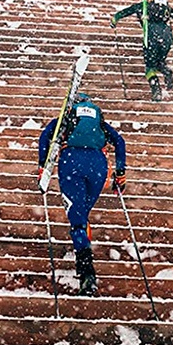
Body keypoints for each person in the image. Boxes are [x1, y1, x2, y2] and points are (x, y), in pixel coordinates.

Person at [38, 93, 126, 295]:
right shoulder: (99, 123)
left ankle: (87, 273)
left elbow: (45, 137)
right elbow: (120, 142)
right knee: (83, 214)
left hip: (72, 161)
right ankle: (83, 248)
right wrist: (120, 174)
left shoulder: (67, 118)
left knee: (77, 220)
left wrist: (42, 165)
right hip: (98, 165)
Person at [111, 0, 173, 101]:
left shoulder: (141, 6)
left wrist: (114, 20)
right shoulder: (166, 8)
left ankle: (156, 91)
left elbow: (123, 13)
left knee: (149, 67)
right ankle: (167, 73)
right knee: (159, 62)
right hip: (167, 38)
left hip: (151, 38)